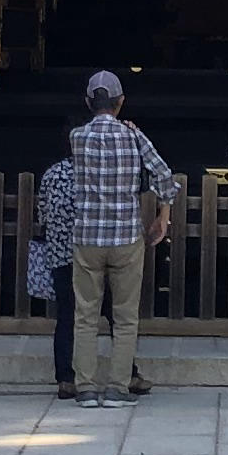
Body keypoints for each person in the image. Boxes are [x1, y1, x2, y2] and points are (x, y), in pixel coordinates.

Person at [66, 69, 180, 405]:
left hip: (87, 235)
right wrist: (163, 215)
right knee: (125, 315)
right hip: (126, 236)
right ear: (121, 103)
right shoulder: (133, 137)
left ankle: (85, 387)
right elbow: (163, 175)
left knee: (85, 315)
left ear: (88, 102)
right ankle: (117, 387)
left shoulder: (76, 137)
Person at [29, 151, 79, 393]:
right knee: (113, 314)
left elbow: (43, 214)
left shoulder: (52, 173)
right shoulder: (95, 174)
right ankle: (126, 372)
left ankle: (65, 378)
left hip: (59, 254)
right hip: (90, 253)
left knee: (66, 316)